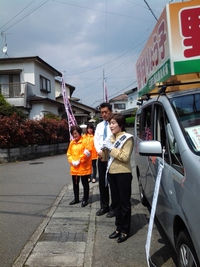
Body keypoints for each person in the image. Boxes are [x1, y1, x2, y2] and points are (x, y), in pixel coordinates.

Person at [102, 113, 134, 243]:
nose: (111, 125)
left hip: (123, 174)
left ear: (121, 124)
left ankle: (125, 230)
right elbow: (105, 158)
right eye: (110, 123)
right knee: (115, 203)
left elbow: (125, 157)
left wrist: (111, 148)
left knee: (124, 203)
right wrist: (103, 149)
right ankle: (118, 228)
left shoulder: (127, 138)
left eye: (114, 123)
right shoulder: (111, 138)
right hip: (112, 173)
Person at [94, 102, 114, 218]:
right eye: (102, 112)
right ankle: (104, 206)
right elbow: (96, 140)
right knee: (102, 183)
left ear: (110, 111)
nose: (104, 114)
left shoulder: (115, 124)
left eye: (106, 112)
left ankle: (114, 207)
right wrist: (98, 151)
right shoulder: (99, 126)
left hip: (112, 156)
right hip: (101, 156)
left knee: (113, 182)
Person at [67, 126, 92, 207]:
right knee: (75, 184)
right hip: (74, 168)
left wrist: (79, 160)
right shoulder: (72, 143)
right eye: (73, 134)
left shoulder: (85, 141)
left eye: (76, 133)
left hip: (83, 167)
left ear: (79, 132)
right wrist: (72, 161)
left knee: (85, 184)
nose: (74, 135)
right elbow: (69, 153)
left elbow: (88, 152)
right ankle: (76, 198)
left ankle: (85, 199)